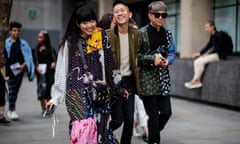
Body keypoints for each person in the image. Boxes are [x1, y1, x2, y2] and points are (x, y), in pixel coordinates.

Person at [46, 2, 127, 144]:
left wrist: (118, 87)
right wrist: (56, 98)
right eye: (85, 22)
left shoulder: (101, 36)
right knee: (83, 134)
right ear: (77, 24)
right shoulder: (69, 43)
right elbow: (61, 71)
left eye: (92, 21)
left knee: (101, 133)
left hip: (99, 92)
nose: (90, 25)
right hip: (75, 94)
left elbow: (110, 64)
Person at [137, 1, 176, 144]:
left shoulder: (168, 34)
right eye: (157, 15)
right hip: (147, 80)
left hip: (163, 79)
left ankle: (151, 131)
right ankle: (153, 139)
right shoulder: (141, 33)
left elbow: (171, 52)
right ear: (149, 15)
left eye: (163, 15)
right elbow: (136, 57)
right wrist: (152, 59)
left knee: (166, 112)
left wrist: (168, 61)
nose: (160, 18)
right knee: (153, 116)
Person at [106, 1, 141, 144]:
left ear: (129, 14)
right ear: (114, 17)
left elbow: (144, 54)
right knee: (118, 120)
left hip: (129, 81)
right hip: (114, 81)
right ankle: (103, 132)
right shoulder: (107, 35)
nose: (120, 13)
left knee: (129, 119)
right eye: (116, 11)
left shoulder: (137, 34)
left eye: (123, 10)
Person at [184, 20, 230, 89]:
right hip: (214, 54)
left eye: (207, 27)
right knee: (196, 61)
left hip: (219, 55)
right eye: (205, 27)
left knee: (201, 61)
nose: (206, 29)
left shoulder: (219, 36)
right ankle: (196, 81)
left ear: (213, 27)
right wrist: (199, 53)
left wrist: (208, 54)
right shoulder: (212, 36)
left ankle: (195, 81)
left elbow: (218, 48)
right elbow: (208, 45)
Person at [5, 21, 35, 120]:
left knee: (15, 91)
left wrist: (23, 66)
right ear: (10, 31)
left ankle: (11, 110)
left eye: (18, 31)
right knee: (11, 91)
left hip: (19, 71)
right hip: (8, 72)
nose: (16, 32)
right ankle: (11, 110)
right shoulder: (6, 43)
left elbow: (28, 57)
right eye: (14, 30)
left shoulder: (23, 43)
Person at [33, 30, 56, 117]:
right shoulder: (36, 49)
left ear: (45, 38)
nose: (39, 39)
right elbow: (34, 60)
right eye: (38, 37)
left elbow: (55, 59)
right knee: (41, 91)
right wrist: (36, 68)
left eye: (41, 37)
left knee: (48, 91)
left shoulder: (51, 49)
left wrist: (54, 63)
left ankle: (49, 108)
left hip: (49, 73)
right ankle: (43, 110)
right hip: (41, 73)